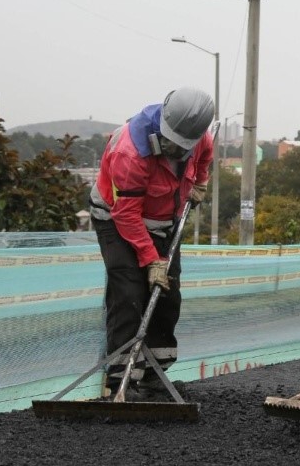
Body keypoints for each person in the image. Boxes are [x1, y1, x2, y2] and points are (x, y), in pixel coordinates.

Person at [88, 87, 215, 400]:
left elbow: (205, 158)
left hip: (165, 221)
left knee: (167, 297)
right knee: (129, 292)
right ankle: (118, 379)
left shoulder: (199, 138)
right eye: (172, 143)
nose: (176, 150)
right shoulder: (129, 153)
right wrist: (150, 259)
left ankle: (154, 376)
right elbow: (126, 214)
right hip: (116, 220)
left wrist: (200, 182)